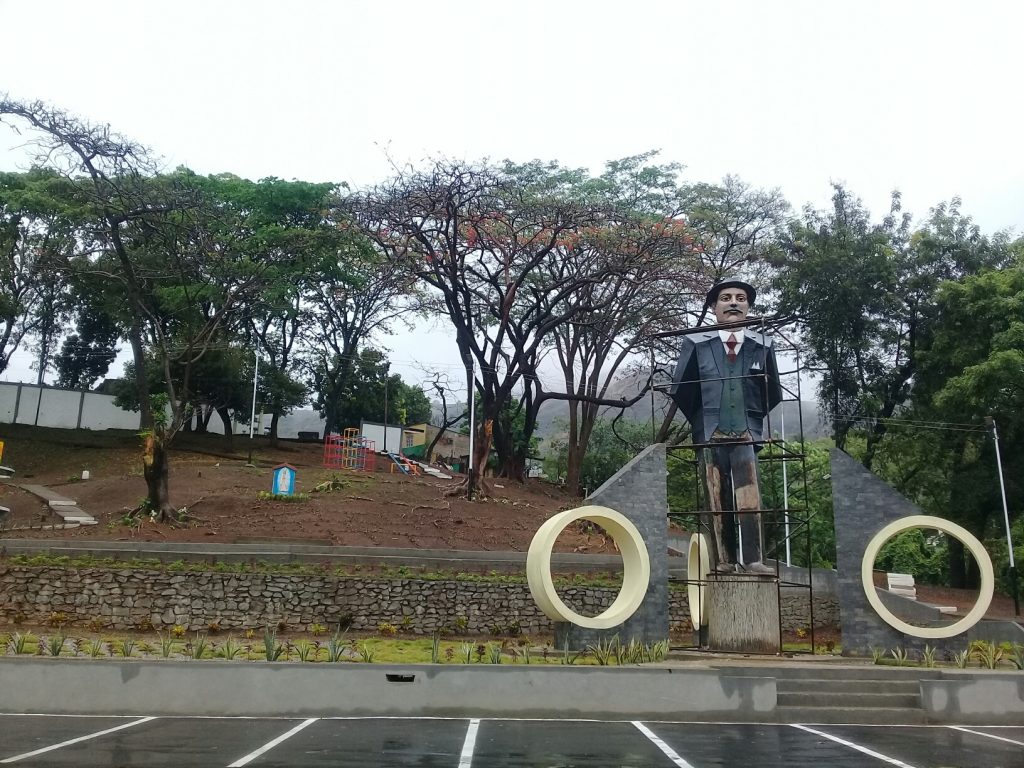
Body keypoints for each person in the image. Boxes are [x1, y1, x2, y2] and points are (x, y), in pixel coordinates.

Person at [669, 279, 783, 575]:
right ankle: (724, 560)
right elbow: (682, 388)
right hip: (710, 432)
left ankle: (752, 559)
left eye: (740, 298)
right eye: (726, 298)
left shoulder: (762, 345)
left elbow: (773, 392)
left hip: (745, 431)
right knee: (716, 496)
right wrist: (702, 419)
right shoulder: (696, 343)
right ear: (713, 307)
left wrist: (753, 417)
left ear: (748, 306)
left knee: (749, 496)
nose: (733, 302)